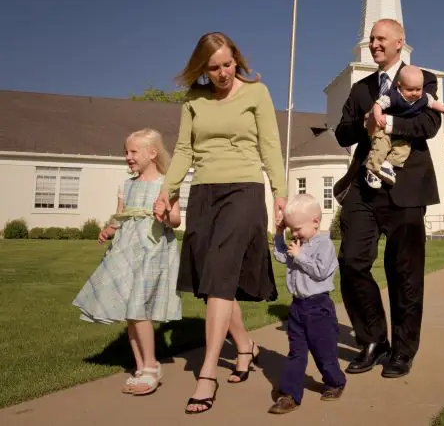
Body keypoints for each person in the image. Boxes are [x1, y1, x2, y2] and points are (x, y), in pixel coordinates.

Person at [152, 32, 287, 415]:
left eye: (228, 64)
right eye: (214, 67)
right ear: (202, 69)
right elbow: (183, 149)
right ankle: (245, 347)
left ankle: (207, 372)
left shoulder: (256, 93)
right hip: (204, 193)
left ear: (237, 60)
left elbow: (270, 145)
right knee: (214, 279)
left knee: (222, 274)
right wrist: (168, 191)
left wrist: (279, 191)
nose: (223, 72)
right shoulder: (194, 100)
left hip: (243, 189)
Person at [333, 18, 442, 379]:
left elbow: (428, 125)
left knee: (404, 273)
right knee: (351, 262)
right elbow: (341, 133)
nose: (374, 43)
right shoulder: (362, 88)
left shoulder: (421, 78)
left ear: (400, 42)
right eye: (371, 38)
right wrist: (364, 124)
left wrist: (388, 125)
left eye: (381, 38)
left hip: (407, 188)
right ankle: (373, 339)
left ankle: (403, 350)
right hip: (364, 187)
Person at [73, 128, 182, 396]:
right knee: (129, 313)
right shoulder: (127, 185)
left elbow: (177, 221)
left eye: (133, 151)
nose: (128, 156)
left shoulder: (166, 185)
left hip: (152, 251)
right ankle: (141, 366)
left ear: (152, 153)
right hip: (125, 250)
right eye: (127, 151)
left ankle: (152, 367)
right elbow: (120, 216)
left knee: (138, 309)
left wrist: (165, 215)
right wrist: (110, 228)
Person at [268, 194, 346, 415]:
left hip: (319, 307)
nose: (295, 234)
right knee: (296, 352)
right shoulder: (297, 242)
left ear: (316, 222)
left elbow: (321, 272)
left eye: (297, 229)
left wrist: (301, 256)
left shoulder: (325, 245)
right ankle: (290, 394)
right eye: (291, 229)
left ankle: (335, 382)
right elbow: (282, 257)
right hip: (298, 307)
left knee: (325, 351)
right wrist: (280, 233)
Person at [365, 64, 444, 188]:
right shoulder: (393, 96)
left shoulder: (423, 97)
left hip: (402, 134)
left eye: (418, 89)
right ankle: (371, 171)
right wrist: (378, 116)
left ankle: (387, 165)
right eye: (410, 90)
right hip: (385, 131)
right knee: (380, 147)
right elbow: (378, 104)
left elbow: (433, 103)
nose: (415, 93)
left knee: (404, 149)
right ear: (399, 86)